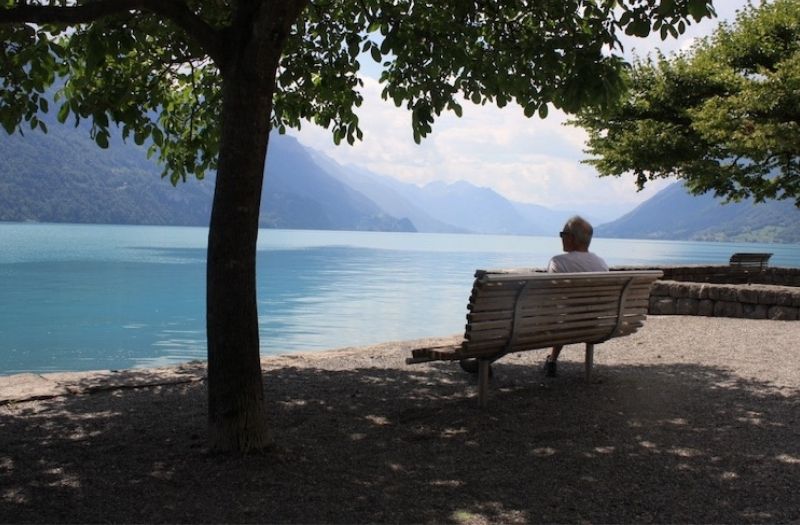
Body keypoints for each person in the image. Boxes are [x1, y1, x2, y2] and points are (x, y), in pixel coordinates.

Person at [544, 215, 608, 377]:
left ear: (571, 238)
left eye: (562, 234)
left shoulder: (558, 262)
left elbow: (550, 298)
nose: (561, 238)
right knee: (568, 315)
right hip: (593, 325)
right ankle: (552, 360)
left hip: (564, 325)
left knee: (563, 316)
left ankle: (552, 361)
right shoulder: (601, 264)